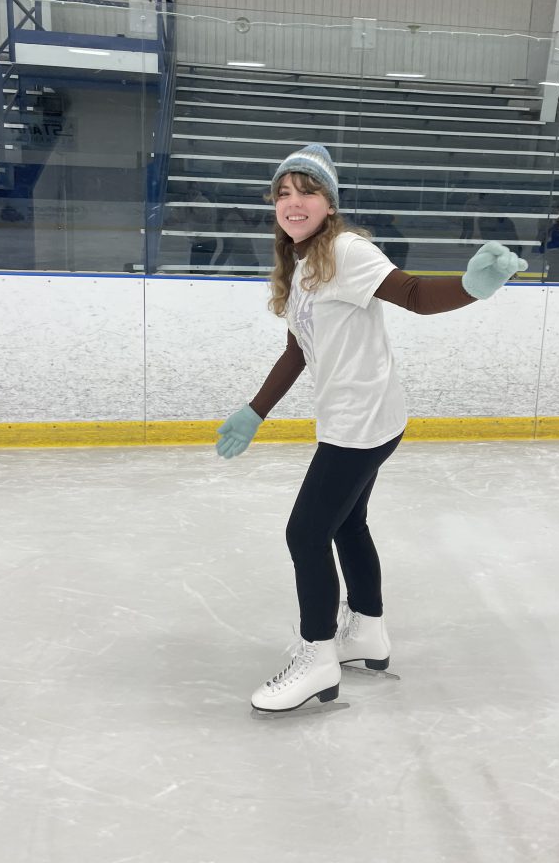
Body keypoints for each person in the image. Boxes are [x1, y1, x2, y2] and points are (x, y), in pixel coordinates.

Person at [215, 144, 526, 713]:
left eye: (306, 190)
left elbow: (412, 294)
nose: (293, 202)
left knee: (305, 533)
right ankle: (367, 632)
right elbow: (298, 347)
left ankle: (316, 658)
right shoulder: (302, 264)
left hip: (361, 422)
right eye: (283, 193)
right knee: (345, 523)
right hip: (354, 417)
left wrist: (471, 285)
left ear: (329, 203)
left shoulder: (346, 250)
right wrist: (256, 410)